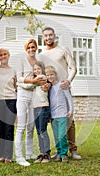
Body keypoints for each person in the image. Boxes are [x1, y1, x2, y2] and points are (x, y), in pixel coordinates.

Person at [38, 27, 82, 160]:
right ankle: (59, 150)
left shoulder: (63, 50)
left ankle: (72, 149)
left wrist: (68, 81)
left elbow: (73, 67)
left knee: (69, 119)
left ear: (54, 36)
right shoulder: (41, 55)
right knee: (55, 120)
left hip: (63, 88)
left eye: (50, 35)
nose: (48, 38)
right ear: (43, 37)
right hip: (50, 91)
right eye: (46, 36)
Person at [15, 39, 47, 167]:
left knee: (31, 126)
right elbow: (19, 79)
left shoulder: (38, 62)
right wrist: (33, 81)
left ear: (36, 47)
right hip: (22, 94)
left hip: (34, 95)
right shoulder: (21, 60)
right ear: (25, 49)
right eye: (29, 48)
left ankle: (29, 153)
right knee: (21, 126)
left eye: (33, 47)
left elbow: (43, 77)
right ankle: (19, 157)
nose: (31, 50)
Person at [46, 65, 73, 162]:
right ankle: (59, 152)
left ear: (55, 75)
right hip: (53, 116)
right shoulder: (48, 88)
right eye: (48, 75)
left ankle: (64, 154)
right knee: (56, 136)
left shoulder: (62, 85)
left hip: (62, 114)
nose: (50, 77)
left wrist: (70, 111)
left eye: (51, 74)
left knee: (62, 135)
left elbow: (69, 98)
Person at [0, 48, 17, 164]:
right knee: (1, 129)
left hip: (11, 101)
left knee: (9, 128)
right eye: (1, 55)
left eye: (5, 54)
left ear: (8, 55)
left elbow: (17, 87)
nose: (3, 56)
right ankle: (2, 155)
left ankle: (8, 156)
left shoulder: (13, 71)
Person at [32, 61, 51, 164]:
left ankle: (46, 153)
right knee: (39, 131)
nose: (36, 71)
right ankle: (41, 152)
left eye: (38, 69)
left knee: (43, 130)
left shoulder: (42, 78)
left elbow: (32, 83)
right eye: (35, 69)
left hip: (43, 107)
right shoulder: (34, 79)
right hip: (35, 107)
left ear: (42, 70)